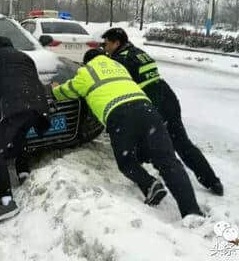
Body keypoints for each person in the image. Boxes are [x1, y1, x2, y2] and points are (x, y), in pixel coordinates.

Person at [53, 49, 203, 219]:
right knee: (168, 161)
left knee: (126, 161)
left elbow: (68, 90)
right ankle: (192, 211)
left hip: (119, 114)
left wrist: (55, 90)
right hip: (147, 110)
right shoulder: (119, 66)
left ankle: (150, 184)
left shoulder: (86, 71)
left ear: (86, 62)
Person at [101, 28, 224, 196]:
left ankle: (151, 178)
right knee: (182, 143)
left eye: (106, 43)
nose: (104, 47)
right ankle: (212, 181)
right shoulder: (138, 52)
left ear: (116, 43)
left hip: (153, 103)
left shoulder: (120, 60)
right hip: (168, 98)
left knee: (154, 145)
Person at [0, 36, 50, 223]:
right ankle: (23, 173)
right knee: (19, 135)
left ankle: (6, 201)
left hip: (14, 105)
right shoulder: (25, 57)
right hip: (39, 106)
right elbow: (30, 81)